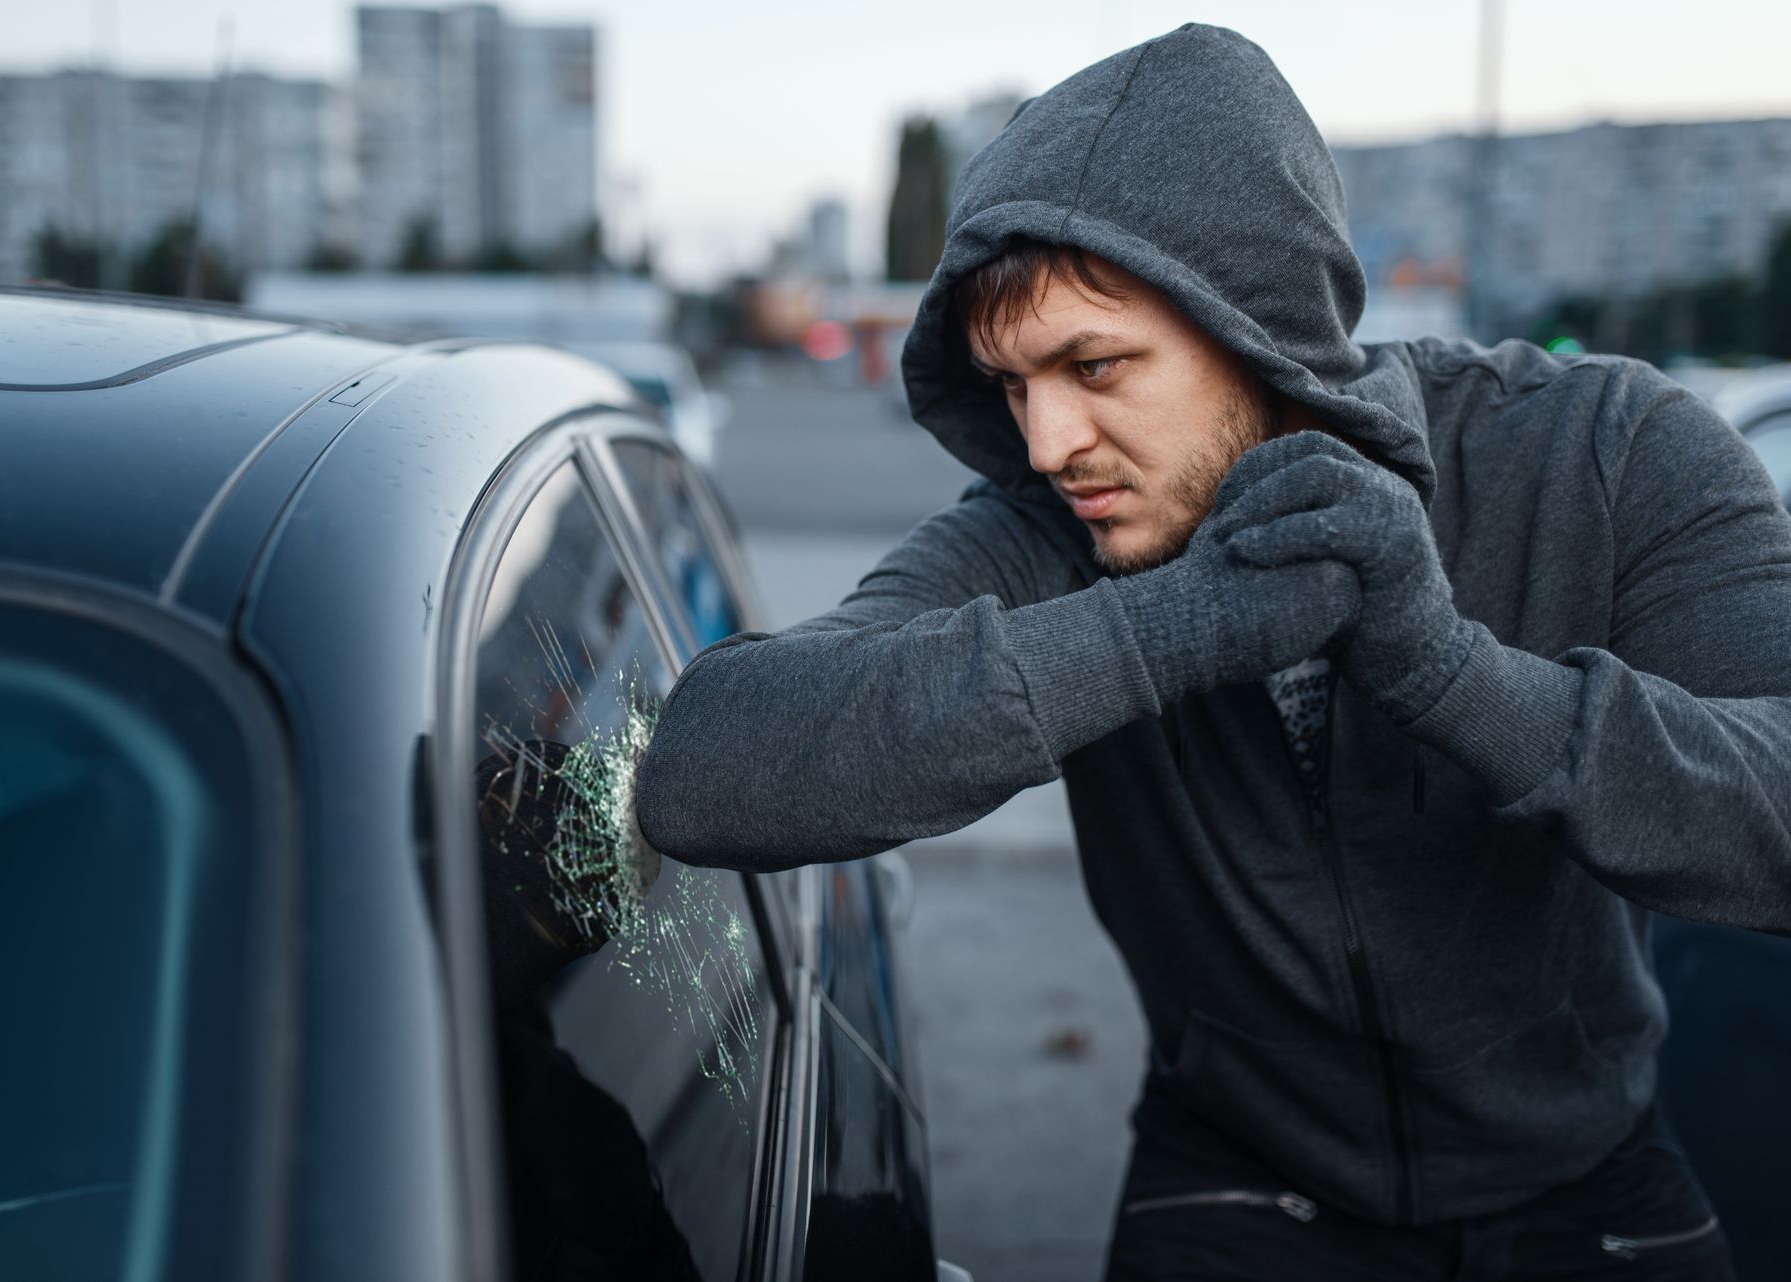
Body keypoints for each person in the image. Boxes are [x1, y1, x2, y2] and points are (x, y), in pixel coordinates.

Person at [636, 24, 1791, 1280]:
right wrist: (1168, 627)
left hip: (1590, 1186)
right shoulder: (1045, 531)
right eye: (1012, 383)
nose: (1047, 441)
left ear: (1257, 326)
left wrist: (1450, 673)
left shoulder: (1606, 452)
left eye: (1093, 365)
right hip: (1236, 1188)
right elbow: (709, 763)